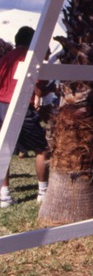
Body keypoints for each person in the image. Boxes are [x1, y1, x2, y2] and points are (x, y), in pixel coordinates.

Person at [0, 26, 49, 207]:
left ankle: (4, 195)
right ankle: (43, 192)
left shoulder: (6, 58)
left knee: (4, 149)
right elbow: (40, 88)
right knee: (42, 149)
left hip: (1, 105)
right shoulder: (29, 58)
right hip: (20, 106)